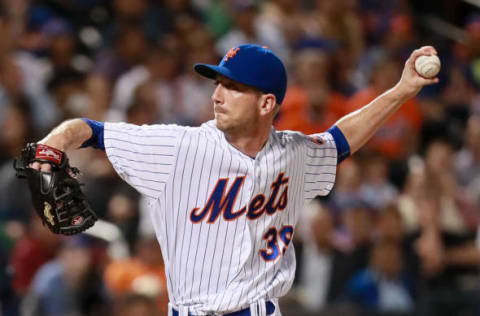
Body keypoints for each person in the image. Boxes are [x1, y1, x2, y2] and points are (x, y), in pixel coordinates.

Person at [30, 44, 438, 315]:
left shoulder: (293, 155)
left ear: (266, 103)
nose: (217, 94)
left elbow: (341, 139)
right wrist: (52, 145)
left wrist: (402, 90)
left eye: (233, 86)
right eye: (218, 83)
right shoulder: (178, 147)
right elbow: (90, 129)